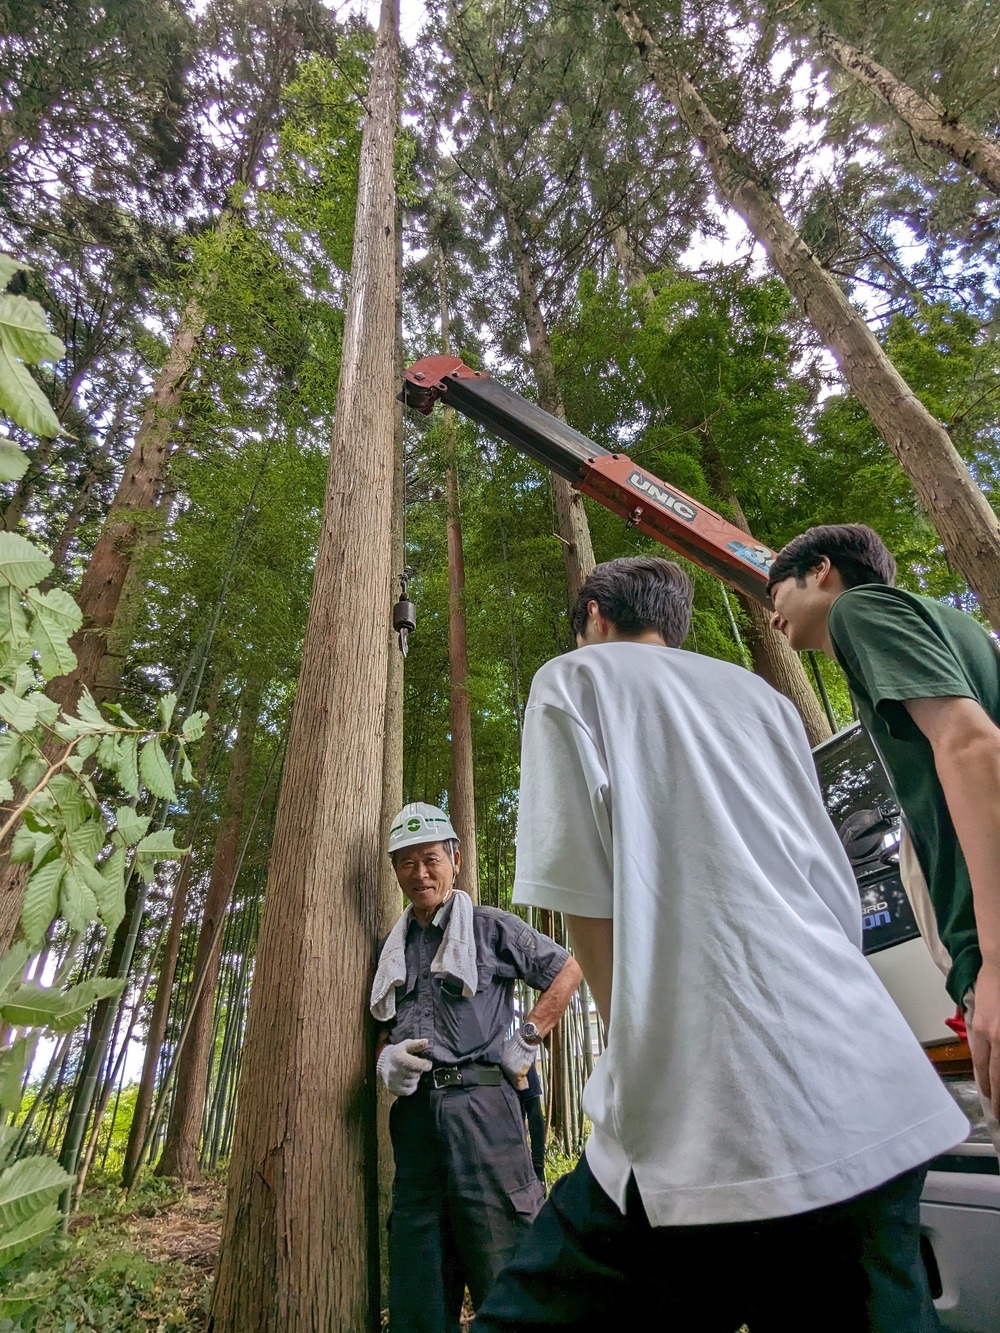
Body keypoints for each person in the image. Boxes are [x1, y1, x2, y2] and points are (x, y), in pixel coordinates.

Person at [475, 556, 968, 1333]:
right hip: (873, 1096)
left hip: (713, 1117)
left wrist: (634, 1062)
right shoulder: (760, 697)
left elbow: (585, 898)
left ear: (595, 615)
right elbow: (832, 885)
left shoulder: (575, 678)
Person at [768, 523, 1000, 1151]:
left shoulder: (857, 609)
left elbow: (971, 744)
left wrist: (994, 965)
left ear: (821, 571)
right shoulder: (954, 626)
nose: (772, 616)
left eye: (776, 593)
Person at [372, 801, 582, 1333]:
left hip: (485, 1111)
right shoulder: (391, 948)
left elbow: (568, 967)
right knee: (418, 1273)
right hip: (415, 1119)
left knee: (504, 1261)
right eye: (406, 862)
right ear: (394, 870)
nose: (420, 873)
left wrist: (529, 1035)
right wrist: (385, 1059)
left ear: (456, 860)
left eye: (431, 859)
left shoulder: (488, 927)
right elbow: (384, 1024)